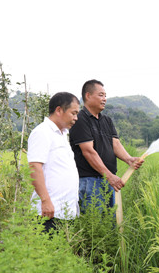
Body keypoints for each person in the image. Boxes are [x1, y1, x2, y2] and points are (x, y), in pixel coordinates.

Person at [69, 79, 143, 214]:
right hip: (89, 181)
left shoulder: (106, 120)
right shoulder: (80, 119)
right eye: (101, 95)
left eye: (105, 96)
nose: (104, 99)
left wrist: (128, 159)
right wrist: (109, 176)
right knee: (94, 225)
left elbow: (115, 143)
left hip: (108, 180)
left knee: (110, 222)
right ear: (88, 96)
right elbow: (88, 152)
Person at [28, 92, 80, 232]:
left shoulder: (62, 134)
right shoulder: (42, 132)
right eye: (73, 113)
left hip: (64, 212)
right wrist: (45, 201)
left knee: (61, 252)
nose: (76, 118)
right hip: (49, 212)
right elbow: (34, 167)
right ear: (59, 110)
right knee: (46, 252)